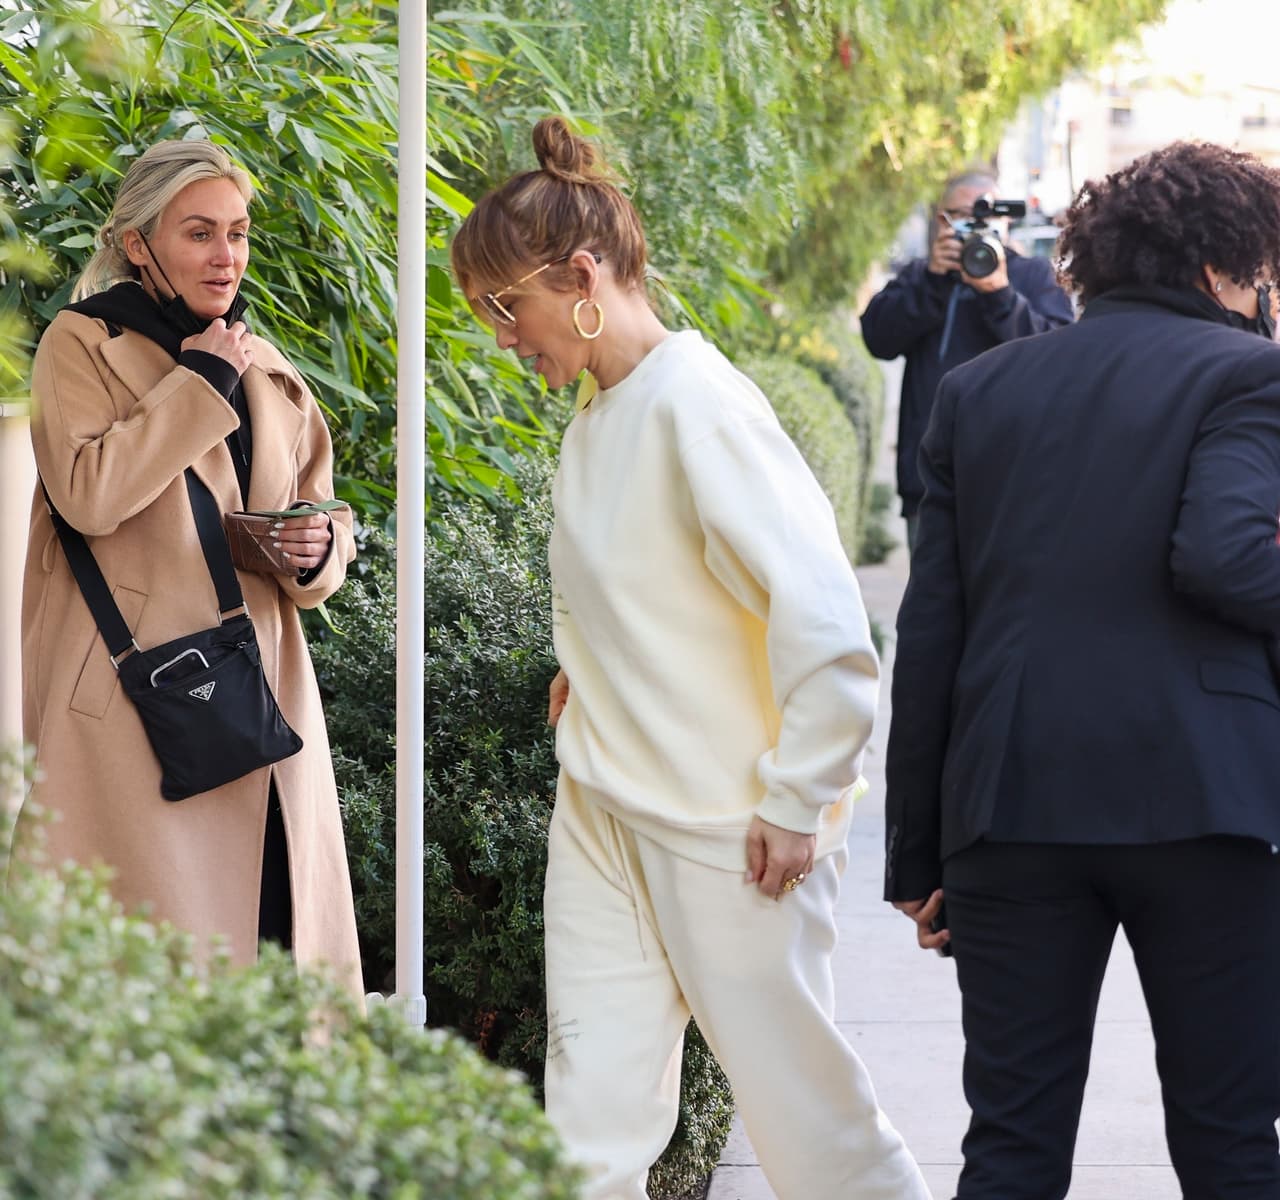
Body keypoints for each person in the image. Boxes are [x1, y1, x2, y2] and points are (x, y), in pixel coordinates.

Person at [451, 116, 929, 1200]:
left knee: (809, 1120)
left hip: (730, 831)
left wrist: (798, 798)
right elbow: (647, 584)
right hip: (603, 807)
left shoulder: (699, 408)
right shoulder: (601, 410)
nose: (502, 338)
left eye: (504, 307)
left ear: (582, 278)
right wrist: (594, 665)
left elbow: (826, 625)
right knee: (588, 1119)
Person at [884, 140, 1280, 1198]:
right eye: (1261, 272)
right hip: (1206, 805)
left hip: (1011, 807)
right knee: (1231, 1138)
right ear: (1217, 267)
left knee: (1011, 1143)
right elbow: (1225, 557)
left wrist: (918, 851)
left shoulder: (978, 390)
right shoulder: (1251, 375)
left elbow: (933, 631)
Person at [19, 139, 362, 994]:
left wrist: (319, 549)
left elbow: (320, 504)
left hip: (260, 694)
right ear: (139, 243)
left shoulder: (257, 359)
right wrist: (200, 383)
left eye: (237, 233)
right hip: (135, 704)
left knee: (274, 939)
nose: (226, 255)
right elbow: (88, 494)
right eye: (200, 233)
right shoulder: (82, 344)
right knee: (155, 967)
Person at [860, 168, 1074, 552]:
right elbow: (879, 339)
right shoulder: (922, 276)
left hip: (1013, 484)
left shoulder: (1032, 277)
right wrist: (932, 282)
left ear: (1005, 220)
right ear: (941, 221)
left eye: (985, 215)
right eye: (960, 216)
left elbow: (1058, 358)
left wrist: (1000, 295)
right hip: (929, 483)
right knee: (932, 588)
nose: (975, 225)